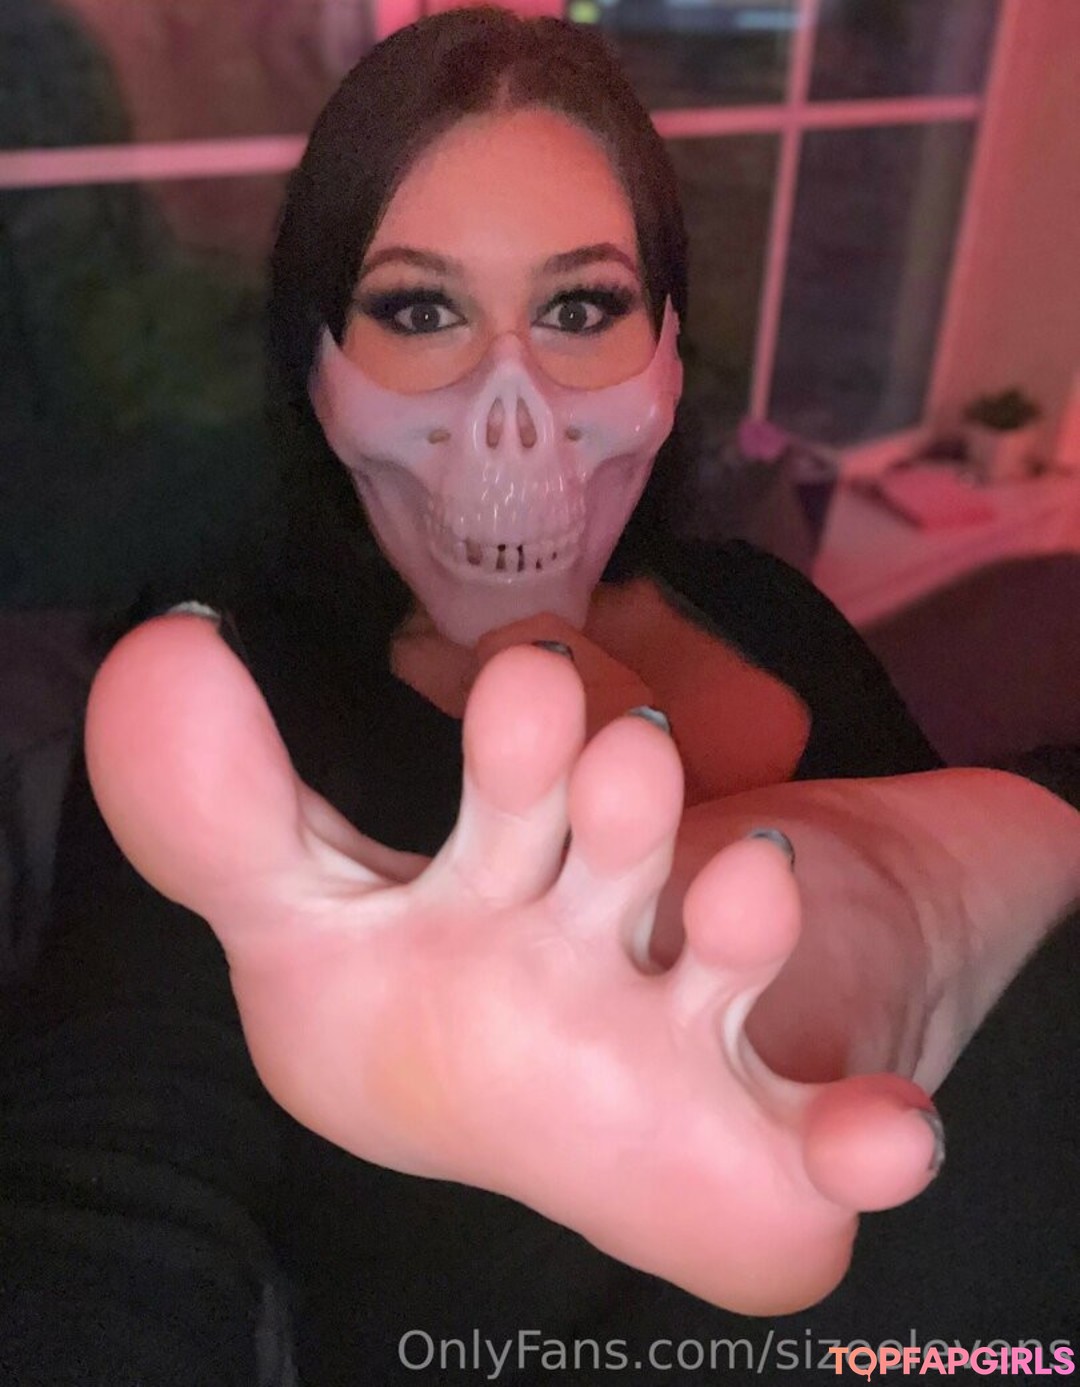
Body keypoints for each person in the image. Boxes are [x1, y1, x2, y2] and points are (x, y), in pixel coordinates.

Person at [2, 9, 1078, 1384]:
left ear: (669, 355)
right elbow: (106, 1191)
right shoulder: (233, 735)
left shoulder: (766, 607)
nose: (509, 413)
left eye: (580, 310)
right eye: (420, 311)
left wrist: (902, 897)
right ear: (317, 373)